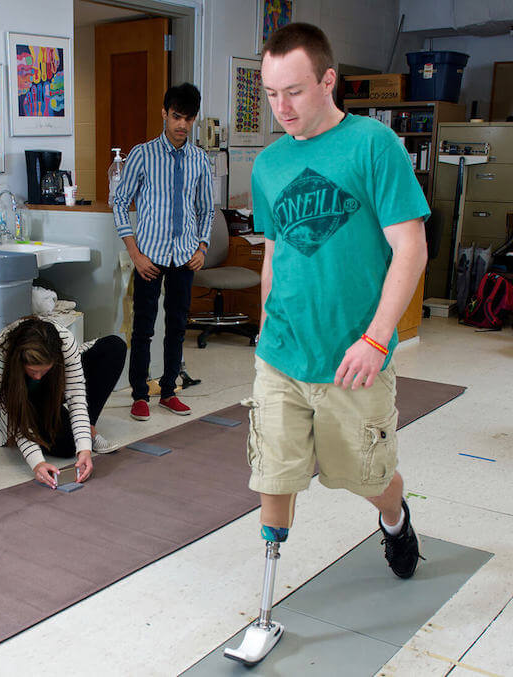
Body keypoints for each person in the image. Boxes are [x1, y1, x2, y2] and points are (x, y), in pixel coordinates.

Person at [228, 22, 428, 665]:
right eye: (270, 94)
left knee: (363, 475)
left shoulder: (374, 147)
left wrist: (377, 337)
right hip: (282, 355)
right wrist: (264, 325)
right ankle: (266, 597)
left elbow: (411, 249)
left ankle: (395, 521)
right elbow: (277, 253)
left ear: (327, 80)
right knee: (272, 467)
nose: (280, 108)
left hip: (354, 359)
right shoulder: (269, 164)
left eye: (293, 91)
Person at [111, 83, 214, 422]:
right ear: (164, 114)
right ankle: (140, 395)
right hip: (150, 256)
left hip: (185, 256)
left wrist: (202, 246)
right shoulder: (142, 154)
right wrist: (134, 252)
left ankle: (169, 390)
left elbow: (207, 209)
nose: (181, 125)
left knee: (177, 327)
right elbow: (120, 202)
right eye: (176, 116)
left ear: (195, 119)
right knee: (143, 328)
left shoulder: (200, 159)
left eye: (188, 118)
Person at [0, 318, 127, 488]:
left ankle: (88, 429)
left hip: (54, 388)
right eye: (33, 371)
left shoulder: (64, 341)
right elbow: (16, 416)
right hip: (28, 401)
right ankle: (71, 429)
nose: (38, 377)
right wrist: (37, 463)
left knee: (114, 346)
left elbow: (76, 396)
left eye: (44, 370)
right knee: (67, 446)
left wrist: (84, 448)